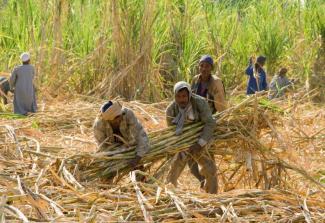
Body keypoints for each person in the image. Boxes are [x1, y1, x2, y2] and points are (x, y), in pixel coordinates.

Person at [166, 81, 218, 194]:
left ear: (189, 94)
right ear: (174, 96)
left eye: (184, 96)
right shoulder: (170, 110)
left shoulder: (200, 103)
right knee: (174, 170)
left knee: (210, 169)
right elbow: (172, 132)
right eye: (178, 96)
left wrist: (200, 143)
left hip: (201, 139)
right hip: (182, 143)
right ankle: (169, 195)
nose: (181, 99)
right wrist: (182, 146)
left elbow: (210, 123)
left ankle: (212, 197)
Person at [190, 55, 226, 187]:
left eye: (206, 66)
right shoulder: (195, 80)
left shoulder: (215, 82)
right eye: (201, 65)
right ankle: (202, 180)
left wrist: (219, 122)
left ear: (211, 68)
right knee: (191, 158)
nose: (203, 68)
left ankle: (212, 190)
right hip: (195, 123)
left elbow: (221, 104)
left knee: (209, 158)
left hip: (209, 122)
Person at [93, 100, 150, 177]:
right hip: (113, 152)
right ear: (109, 119)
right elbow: (103, 147)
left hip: (130, 147)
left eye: (120, 114)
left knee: (138, 171)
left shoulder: (127, 114)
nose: (120, 117)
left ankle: (140, 182)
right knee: (106, 173)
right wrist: (116, 158)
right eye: (117, 117)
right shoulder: (99, 125)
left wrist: (138, 157)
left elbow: (141, 135)